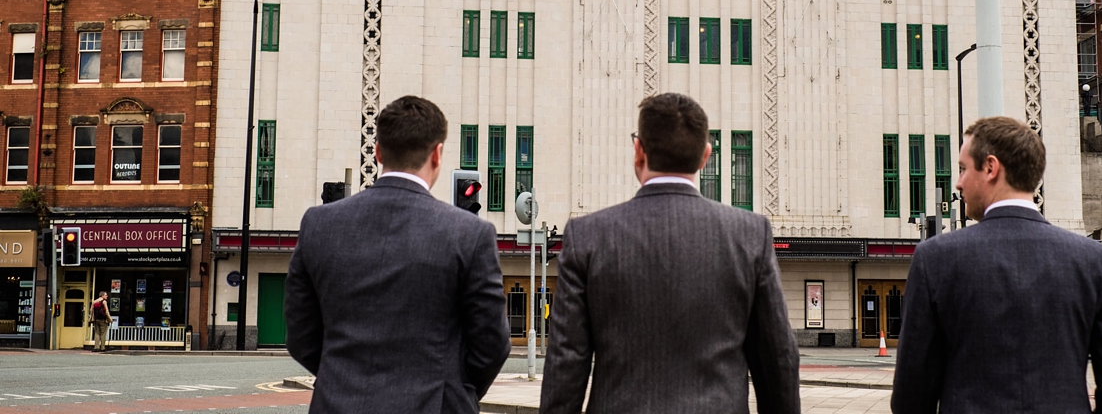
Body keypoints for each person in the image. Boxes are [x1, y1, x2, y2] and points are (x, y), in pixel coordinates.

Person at [540, 93, 800, 414]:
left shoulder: (588, 236)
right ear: (705, 157)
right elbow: (778, 360)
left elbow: (567, 363)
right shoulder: (749, 235)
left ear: (639, 152)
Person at [891, 116, 1102, 414]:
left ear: (990, 167)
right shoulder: (1094, 261)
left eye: (962, 168)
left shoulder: (935, 259)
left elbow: (912, 393)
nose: (958, 182)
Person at [285, 95, 510, 413]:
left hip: (337, 402)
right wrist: (454, 386)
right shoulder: (469, 233)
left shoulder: (319, 224)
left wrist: (342, 377)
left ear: (377, 151)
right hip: (435, 403)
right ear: (437, 154)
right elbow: (492, 341)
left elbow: (300, 334)